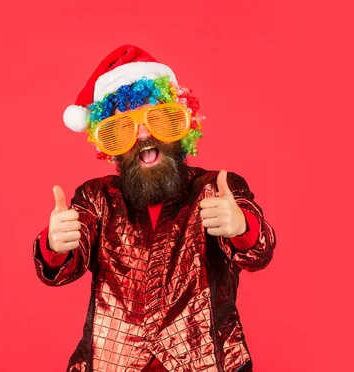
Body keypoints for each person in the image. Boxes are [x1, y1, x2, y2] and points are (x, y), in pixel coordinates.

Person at [33, 44, 276, 372]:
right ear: (110, 148)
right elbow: (65, 263)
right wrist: (56, 245)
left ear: (182, 127)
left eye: (159, 120)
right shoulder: (95, 198)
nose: (143, 134)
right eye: (122, 130)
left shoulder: (218, 189)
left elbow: (258, 252)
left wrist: (242, 228)